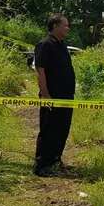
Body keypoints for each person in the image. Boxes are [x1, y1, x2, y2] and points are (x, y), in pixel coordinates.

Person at [33, 14, 76, 177]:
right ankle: (42, 164)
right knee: (49, 129)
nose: (68, 28)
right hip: (52, 96)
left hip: (66, 96)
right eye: (65, 25)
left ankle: (55, 160)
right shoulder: (45, 45)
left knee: (62, 128)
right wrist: (45, 95)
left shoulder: (62, 45)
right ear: (55, 26)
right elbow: (41, 71)